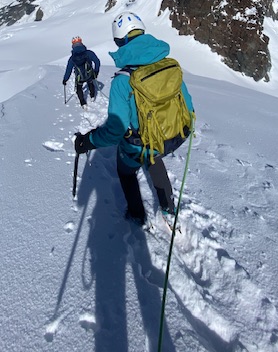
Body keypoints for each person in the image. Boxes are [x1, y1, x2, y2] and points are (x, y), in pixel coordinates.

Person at [74, 12, 194, 225]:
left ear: (119, 41)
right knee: (154, 159)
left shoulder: (123, 81)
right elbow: (189, 106)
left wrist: (88, 141)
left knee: (126, 170)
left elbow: (115, 131)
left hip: (140, 144)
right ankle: (168, 208)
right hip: (174, 135)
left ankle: (137, 214)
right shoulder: (169, 66)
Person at [63, 36, 101, 108]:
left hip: (79, 77)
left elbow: (68, 69)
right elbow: (97, 61)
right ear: (81, 42)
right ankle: (92, 96)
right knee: (90, 83)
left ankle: (83, 103)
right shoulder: (89, 53)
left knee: (79, 88)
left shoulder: (72, 58)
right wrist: (96, 72)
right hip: (89, 74)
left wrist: (65, 79)